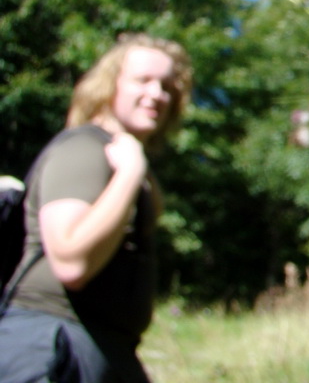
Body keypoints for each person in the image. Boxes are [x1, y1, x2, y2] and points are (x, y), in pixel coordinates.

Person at [0, 34, 192, 382]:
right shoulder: (86, 147)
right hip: (53, 345)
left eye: (166, 86)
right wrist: (130, 173)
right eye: (143, 80)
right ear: (109, 86)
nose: (157, 94)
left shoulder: (125, 159)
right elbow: (72, 262)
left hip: (101, 349)